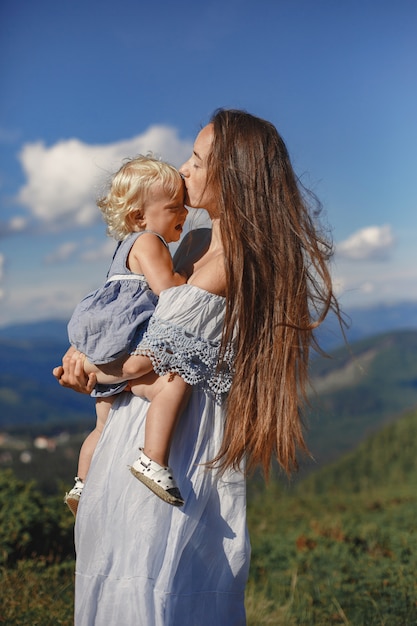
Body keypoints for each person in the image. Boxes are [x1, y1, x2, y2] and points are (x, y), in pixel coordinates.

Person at [53, 109, 342, 626]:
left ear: (232, 175)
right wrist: (94, 362)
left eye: (197, 160)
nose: (183, 170)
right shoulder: (192, 243)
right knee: (122, 573)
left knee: (157, 583)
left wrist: (95, 370)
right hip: (138, 429)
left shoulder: (236, 261)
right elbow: (141, 333)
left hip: (180, 445)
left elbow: (152, 357)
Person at [64, 154, 189, 516]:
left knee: (102, 424)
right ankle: (152, 459)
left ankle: (82, 484)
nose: (183, 213)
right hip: (125, 347)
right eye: (174, 207)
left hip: (104, 347)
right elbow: (168, 290)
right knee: (172, 383)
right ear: (140, 217)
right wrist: (185, 279)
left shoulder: (122, 250)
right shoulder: (150, 242)